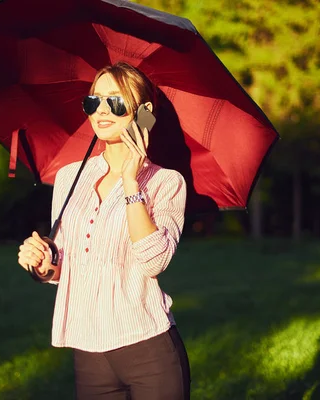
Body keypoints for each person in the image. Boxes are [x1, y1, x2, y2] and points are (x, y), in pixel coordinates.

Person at [17, 62, 191, 400]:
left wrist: (130, 183)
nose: (101, 111)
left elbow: (154, 262)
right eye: (93, 101)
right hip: (89, 351)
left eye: (115, 101)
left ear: (144, 114)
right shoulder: (70, 178)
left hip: (149, 349)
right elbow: (65, 265)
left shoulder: (166, 182)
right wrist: (42, 265)